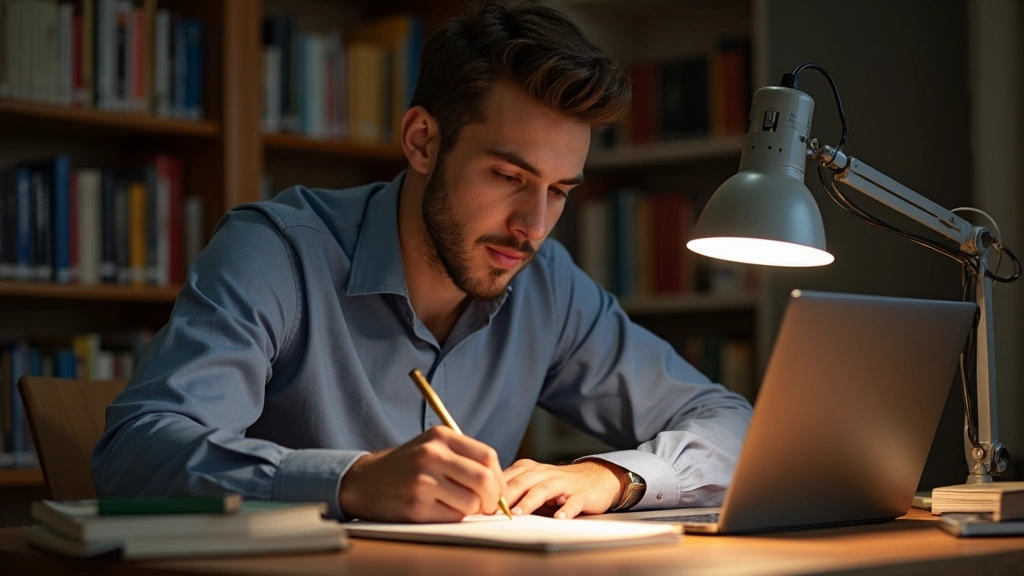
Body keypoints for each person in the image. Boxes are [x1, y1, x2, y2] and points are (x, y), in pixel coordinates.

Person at [92, 0, 752, 523]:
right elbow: (135, 453)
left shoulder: (549, 287)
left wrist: (611, 476)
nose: (532, 227)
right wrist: (349, 481)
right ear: (421, 142)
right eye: (507, 176)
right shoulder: (276, 251)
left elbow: (734, 425)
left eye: (558, 192)